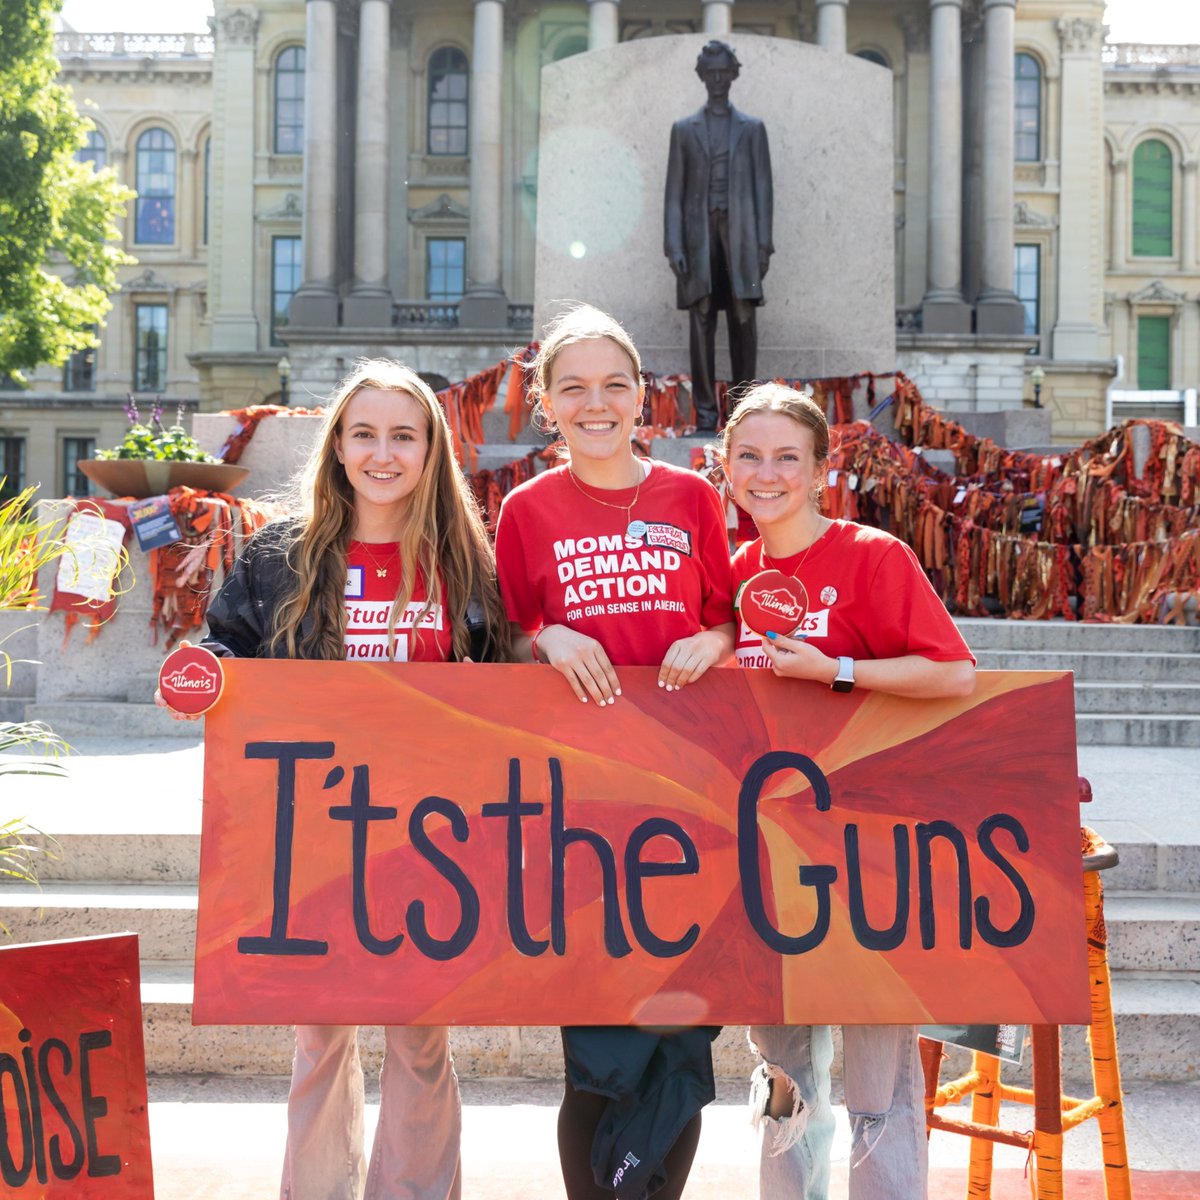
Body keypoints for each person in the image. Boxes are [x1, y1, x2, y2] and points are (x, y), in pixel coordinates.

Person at [159, 359, 510, 1200]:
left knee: (421, 1040)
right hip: (314, 842)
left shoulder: (465, 564)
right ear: (338, 448)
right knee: (320, 1034)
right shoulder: (285, 555)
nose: (383, 453)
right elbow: (226, 646)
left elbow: (505, 688)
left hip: (434, 847)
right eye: (364, 434)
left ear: (432, 450)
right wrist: (198, 670)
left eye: (403, 435)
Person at [494, 304, 736, 1200]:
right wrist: (545, 640)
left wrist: (713, 642)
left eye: (615, 386)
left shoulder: (692, 495)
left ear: (645, 398)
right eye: (574, 389)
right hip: (582, 808)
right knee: (599, 1043)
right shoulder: (525, 509)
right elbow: (505, 637)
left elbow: (728, 617)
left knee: (680, 1038)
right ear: (546, 405)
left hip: (691, 800)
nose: (596, 403)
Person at [720, 383, 976, 1200]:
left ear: (821, 471)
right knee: (783, 1074)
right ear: (725, 468)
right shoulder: (726, 575)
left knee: (879, 1079)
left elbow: (954, 673)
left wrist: (836, 670)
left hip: (871, 857)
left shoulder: (874, 555)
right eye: (750, 456)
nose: (767, 473)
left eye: (787, 457)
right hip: (768, 863)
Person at [664, 39, 774, 431]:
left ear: (732, 75)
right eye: (709, 73)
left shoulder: (752, 129)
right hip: (698, 237)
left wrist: (764, 245)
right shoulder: (683, 130)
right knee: (702, 318)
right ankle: (707, 415)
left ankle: (744, 412)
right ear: (701, 76)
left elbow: (764, 190)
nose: (716, 80)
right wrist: (673, 245)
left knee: (744, 318)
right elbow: (673, 194)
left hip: (742, 236)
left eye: (722, 73)